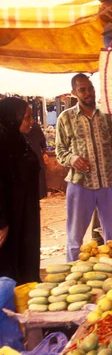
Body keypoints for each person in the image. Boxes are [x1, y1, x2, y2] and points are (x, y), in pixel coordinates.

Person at [55, 74, 112, 262]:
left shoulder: (108, 114)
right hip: (80, 185)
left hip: (109, 182)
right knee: (75, 237)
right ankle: (72, 275)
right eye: (82, 90)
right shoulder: (65, 118)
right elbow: (60, 150)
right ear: (73, 93)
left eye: (90, 88)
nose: (88, 93)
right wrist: (71, 158)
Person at [0, 97, 41, 284]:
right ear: (12, 118)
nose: (32, 121)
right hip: (10, 218)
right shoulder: (3, 143)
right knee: (10, 265)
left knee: (25, 259)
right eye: (27, 117)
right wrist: (2, 222)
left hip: (24, 212)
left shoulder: (17, 141)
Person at [25, 121, 49, 199]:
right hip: (35, 154)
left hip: (28, 154)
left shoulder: (19, 126)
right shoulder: (35, 126)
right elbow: (43, 141)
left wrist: (44, 153)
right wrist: (44, 152)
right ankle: (40, 194)